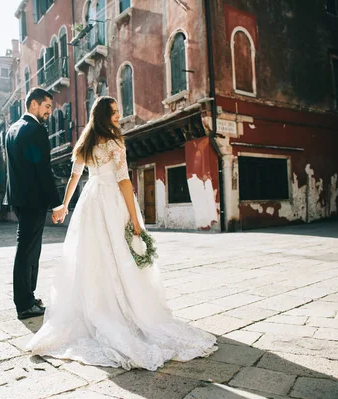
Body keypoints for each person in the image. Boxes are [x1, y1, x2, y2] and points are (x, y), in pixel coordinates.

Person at [26, 96, 217, 371]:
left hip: (91, 202)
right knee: (117, 252)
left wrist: (65, 205)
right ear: (104, 115)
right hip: (112, 200)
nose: (118, 115)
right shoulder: (115, 142)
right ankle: (121, 308)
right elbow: (124, 180)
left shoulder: (85, 143)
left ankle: (97, 304)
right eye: (114, 112)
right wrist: (135, 219)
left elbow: (75, 177)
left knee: (92, 255)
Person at [5, 88, 68, 320]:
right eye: (47, 107)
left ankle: (28, 298)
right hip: (33, 200)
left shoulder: (12, 130)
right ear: (33, 105)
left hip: (18, 199)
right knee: (27, 251)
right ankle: (24, 303)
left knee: (28, 249)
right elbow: (43, 170)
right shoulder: (35, 130)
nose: (49, 112)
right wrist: (56, 204)